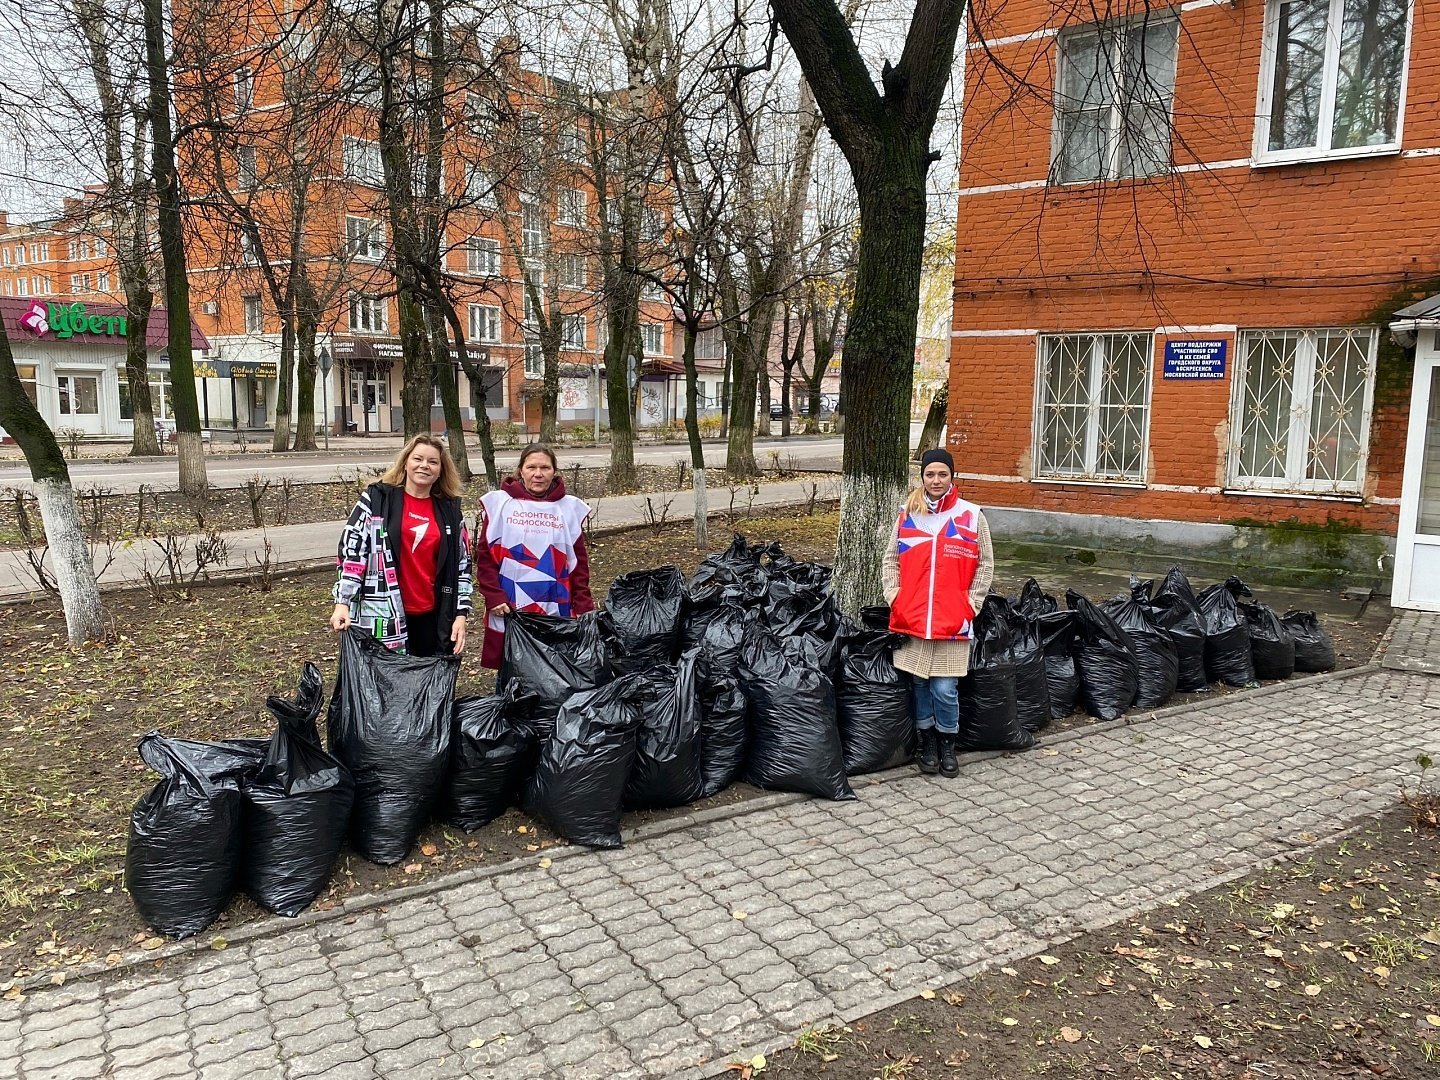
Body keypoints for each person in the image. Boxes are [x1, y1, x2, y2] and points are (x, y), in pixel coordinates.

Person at [881, 447, 994, 779]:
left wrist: (971, 604)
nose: (936, 480)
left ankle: (947, 743)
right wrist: (895, 596)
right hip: (913, 618)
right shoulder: (908, 514)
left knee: (944, 689)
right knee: (919, 684)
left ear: (952, 477)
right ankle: (927, 742)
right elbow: (890, 559)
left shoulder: (970, 515)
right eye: (930, 474)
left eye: (942, 474)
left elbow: (985, 565)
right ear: (922, 477)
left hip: (952, 621)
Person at [330, 434, 473, 657]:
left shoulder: (450, 512)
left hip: (432, 617)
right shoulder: (377, 500)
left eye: (433, 462)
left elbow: (462, 566)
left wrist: (461, 614)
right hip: (381, 617)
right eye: (418, 459)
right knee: (383, 678)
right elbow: (352, 553)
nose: (424, 465)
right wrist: (343, 602)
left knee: (426, 677)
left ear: (440, 470)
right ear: (405, 463)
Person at [472, 444, 595, 669]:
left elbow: (578, 564)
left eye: (545, 468)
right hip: (510, 604)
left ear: (554, 472)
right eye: (531, 467)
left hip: (556, 604)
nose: (538, 474)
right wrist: (493, 595)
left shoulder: (568, 508)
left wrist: (583, 604)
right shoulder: (501, 504)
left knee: (554, 669)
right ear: (521, 470)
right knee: (511, 668)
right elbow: (486, 557)